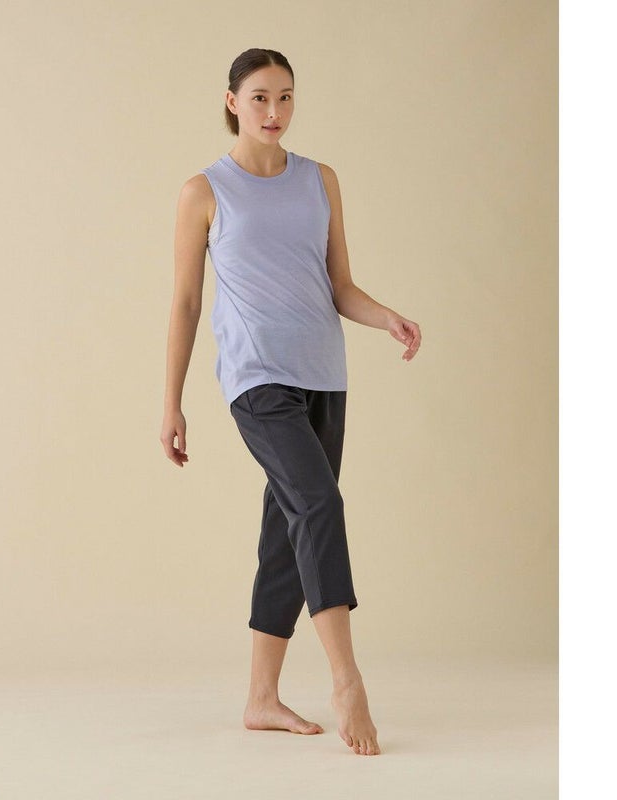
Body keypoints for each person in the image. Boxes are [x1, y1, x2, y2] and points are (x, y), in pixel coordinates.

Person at [160, 48, 421, 757]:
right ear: (232, 102)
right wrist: (172, 403)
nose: (274, 112)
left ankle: (261, 698)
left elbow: (339, 285)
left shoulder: (319, 179)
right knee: (319, 505)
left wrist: (386, 317)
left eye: (285, 97)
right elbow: (186, 303)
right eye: (259, 98)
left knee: (288, 528)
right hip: (257, 379)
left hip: (324, 375)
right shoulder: (204, 191)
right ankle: (346, 679)